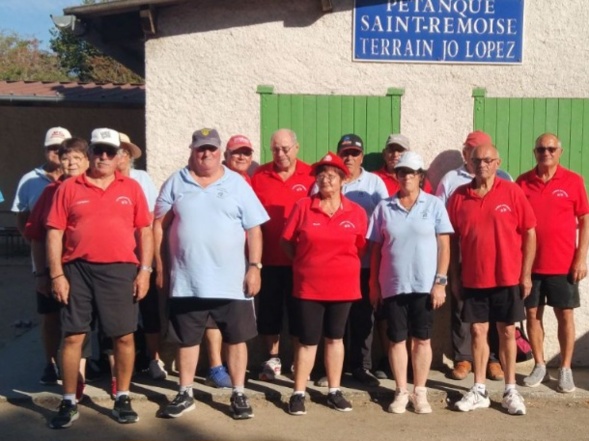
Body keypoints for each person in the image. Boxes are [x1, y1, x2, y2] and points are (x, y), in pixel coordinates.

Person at [154, 128, 268, 420]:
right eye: (200, 149)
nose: (206, 154)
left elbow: (254, 229)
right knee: (186, 339)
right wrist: (159, 265)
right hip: (187, 280)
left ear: (221, 153)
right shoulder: (176, 182)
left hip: (231, 282)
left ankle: (239, 393)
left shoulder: (238, 185)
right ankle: (185, 392)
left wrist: (254, 268)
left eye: (212, 149)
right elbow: (159, 225)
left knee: (236, 339)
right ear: (192, 150)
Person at [46, 128, 153, 429]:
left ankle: (123, 396)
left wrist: (144, 271)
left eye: (110, 151)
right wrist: (56, 274)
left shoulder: (131, 188)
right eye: (98, 151)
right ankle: (68, 400)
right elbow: (54, 231)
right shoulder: (68, 188)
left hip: (120, 271)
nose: (103, 156)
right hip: (77, 270)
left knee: (123, 336)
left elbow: (145, 230)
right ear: (90, 152)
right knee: (74, 336)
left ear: (119, 154)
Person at [447, 144, 536, 416]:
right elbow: (451, 240)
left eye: (487, 160)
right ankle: (480, 389)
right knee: (477, 332)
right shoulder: (459, 197)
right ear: (470, 163)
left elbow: (530, 232)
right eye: (477, 160)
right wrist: (454, 276)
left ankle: (510, 389)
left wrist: (526, 274)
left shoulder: (512, 192)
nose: (482, 164)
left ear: (498, 162)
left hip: (507, 277)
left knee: (507, 331)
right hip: (474, 278)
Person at [281, 152, 367, 415]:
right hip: (309, 287)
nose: (325, 179)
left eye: (331, 175)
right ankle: (298, 393)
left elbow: (359, 247)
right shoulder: (303, 207)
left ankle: (333, 391)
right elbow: (286, 241)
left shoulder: (357, 212)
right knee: (307, 341)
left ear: (343, 179)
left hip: (343, 287)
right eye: (321, 174)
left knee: (335, 338)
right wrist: (305, 263)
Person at [368, 151, 453, 414]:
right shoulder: (384, 207)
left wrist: (440, 282)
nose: (406, 177)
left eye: (411, 173)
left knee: (422, 340)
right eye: (401, 172)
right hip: (393, 285)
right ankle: (401, 391)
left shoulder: (434, 205)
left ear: (420, 177)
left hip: (424, 286)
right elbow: (375, 249)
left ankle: (420, 392)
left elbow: (444, 245)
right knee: (396, 340)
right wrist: (374, 284)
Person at [516, 133, 589, 392]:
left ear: (560, 151)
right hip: (531, 266)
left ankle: (566, 368)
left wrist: (581, 258)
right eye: (540, 149)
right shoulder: (523, 182)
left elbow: (585, 220)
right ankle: (539, 365)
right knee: (532, 314)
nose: (545, 153)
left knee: (565, 316)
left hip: (563, 265)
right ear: (534, 152)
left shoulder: (573, 181)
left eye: (550, 148)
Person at [436, 130, 510, 381]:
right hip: (463, 255)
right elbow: (442, 220)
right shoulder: (450, 180)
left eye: (483, 153)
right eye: (471, 151)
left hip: (498, 260)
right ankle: (463, 358)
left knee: (496, 313)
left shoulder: (504, 179)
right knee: (461, 309)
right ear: (465, 153)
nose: (478, 160)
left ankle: (493, 360)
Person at [24, 137, 90, 401]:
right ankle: (51, 364)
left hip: (84, 272)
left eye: (76, 157)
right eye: (65, 157)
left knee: (79, 327)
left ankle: (78, 379)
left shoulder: (95, 189)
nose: (71, 162)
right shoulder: (50, 192)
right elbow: (37, 236)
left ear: (87, 159)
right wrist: (43, 273)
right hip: (53, 270)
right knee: (52, 319)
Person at [251, 128, 314, 380]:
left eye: (285, 148)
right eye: (275, 148)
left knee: (300, 314)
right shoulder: (260, 175)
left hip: (301, 261)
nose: (280, 154)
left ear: (296, 148)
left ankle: (300, 363)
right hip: (268, 259)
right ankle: (273, 360)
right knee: (270, 313)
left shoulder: (311, 175)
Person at [11, 126, 71, 384]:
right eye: (52, 148)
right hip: (45, 262)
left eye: (61, 148)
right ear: (46, 150)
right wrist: (38, 245)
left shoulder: (79, 177)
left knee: (77, 317)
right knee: (49, 316)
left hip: (75, 260)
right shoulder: (30, 180)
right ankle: (51, 363)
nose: (56, 153)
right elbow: (22, 218)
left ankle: (78, 366)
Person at [335, 134, 388, 387]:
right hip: (335, 265)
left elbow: (384, 218)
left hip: (366, 263)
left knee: (363, 317)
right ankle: (332, 367)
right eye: (345, 152)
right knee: (336, 318)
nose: (349, 158)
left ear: (362, 156)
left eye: (354, 153)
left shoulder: (374, 183)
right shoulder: (329, 178)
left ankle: (361, 366)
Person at [115, 133, 168, 385]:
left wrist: (151, 261)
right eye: (117, 151)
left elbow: (148, 218)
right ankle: (118, 364)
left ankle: (154, 358)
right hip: (114, 259)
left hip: (139, 257)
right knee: (116, 314)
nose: (120, 156)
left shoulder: (142, 179)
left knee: (148, 310)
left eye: (125, 152)